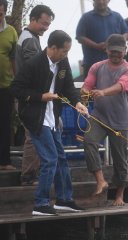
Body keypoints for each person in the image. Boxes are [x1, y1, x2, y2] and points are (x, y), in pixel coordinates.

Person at [11, 30, 88, 216]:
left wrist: (77, 102)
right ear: (52, 48)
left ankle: (64, 199)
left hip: (52, 116)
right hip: (35, 117)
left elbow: (69, 85)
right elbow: (16, 89)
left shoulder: (62, 63)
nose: (66, 55)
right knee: (50, 158)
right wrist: (40, 96)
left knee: (61, 157)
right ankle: (41, 203)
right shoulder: (33, 63)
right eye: (64, 51)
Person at [81, 34, 128, 206]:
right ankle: (100, 180)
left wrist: (103, 92)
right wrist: (84, 92)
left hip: (121, 120)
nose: (116, 55)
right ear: (106, 49)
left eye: (119, 52)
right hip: (99, 116)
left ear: (125, 51)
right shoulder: (97, 67)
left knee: (120, 160)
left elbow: (121, 86)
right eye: (112, 51)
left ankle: (119, 195)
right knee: (89, 141)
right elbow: (87, 84)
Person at [15, 4, 55, 185]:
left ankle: (32, 174)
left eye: (48, 25)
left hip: (28, 94)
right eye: (43, 23)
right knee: (32, 136)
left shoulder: (27, 37)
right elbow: (34, 69)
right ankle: (29, 175)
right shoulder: (30, 40)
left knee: (34, 134)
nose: (46, 28)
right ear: (32, 19)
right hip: (30, 96)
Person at [76, 0, 128, 79]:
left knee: (115, 89)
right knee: (90, 90)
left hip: (116, 63)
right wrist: (96, 46)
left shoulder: (117, 16)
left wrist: (117, 43)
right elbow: (80, 37)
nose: (101, 2)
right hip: (92, 64)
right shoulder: (86, 18)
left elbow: (126, 32)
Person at [0, 0, 17, 171]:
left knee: (4, 124)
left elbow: (14, 59)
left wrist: (16, 82)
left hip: (5, 86)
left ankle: (4, 161)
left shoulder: (11, 31)